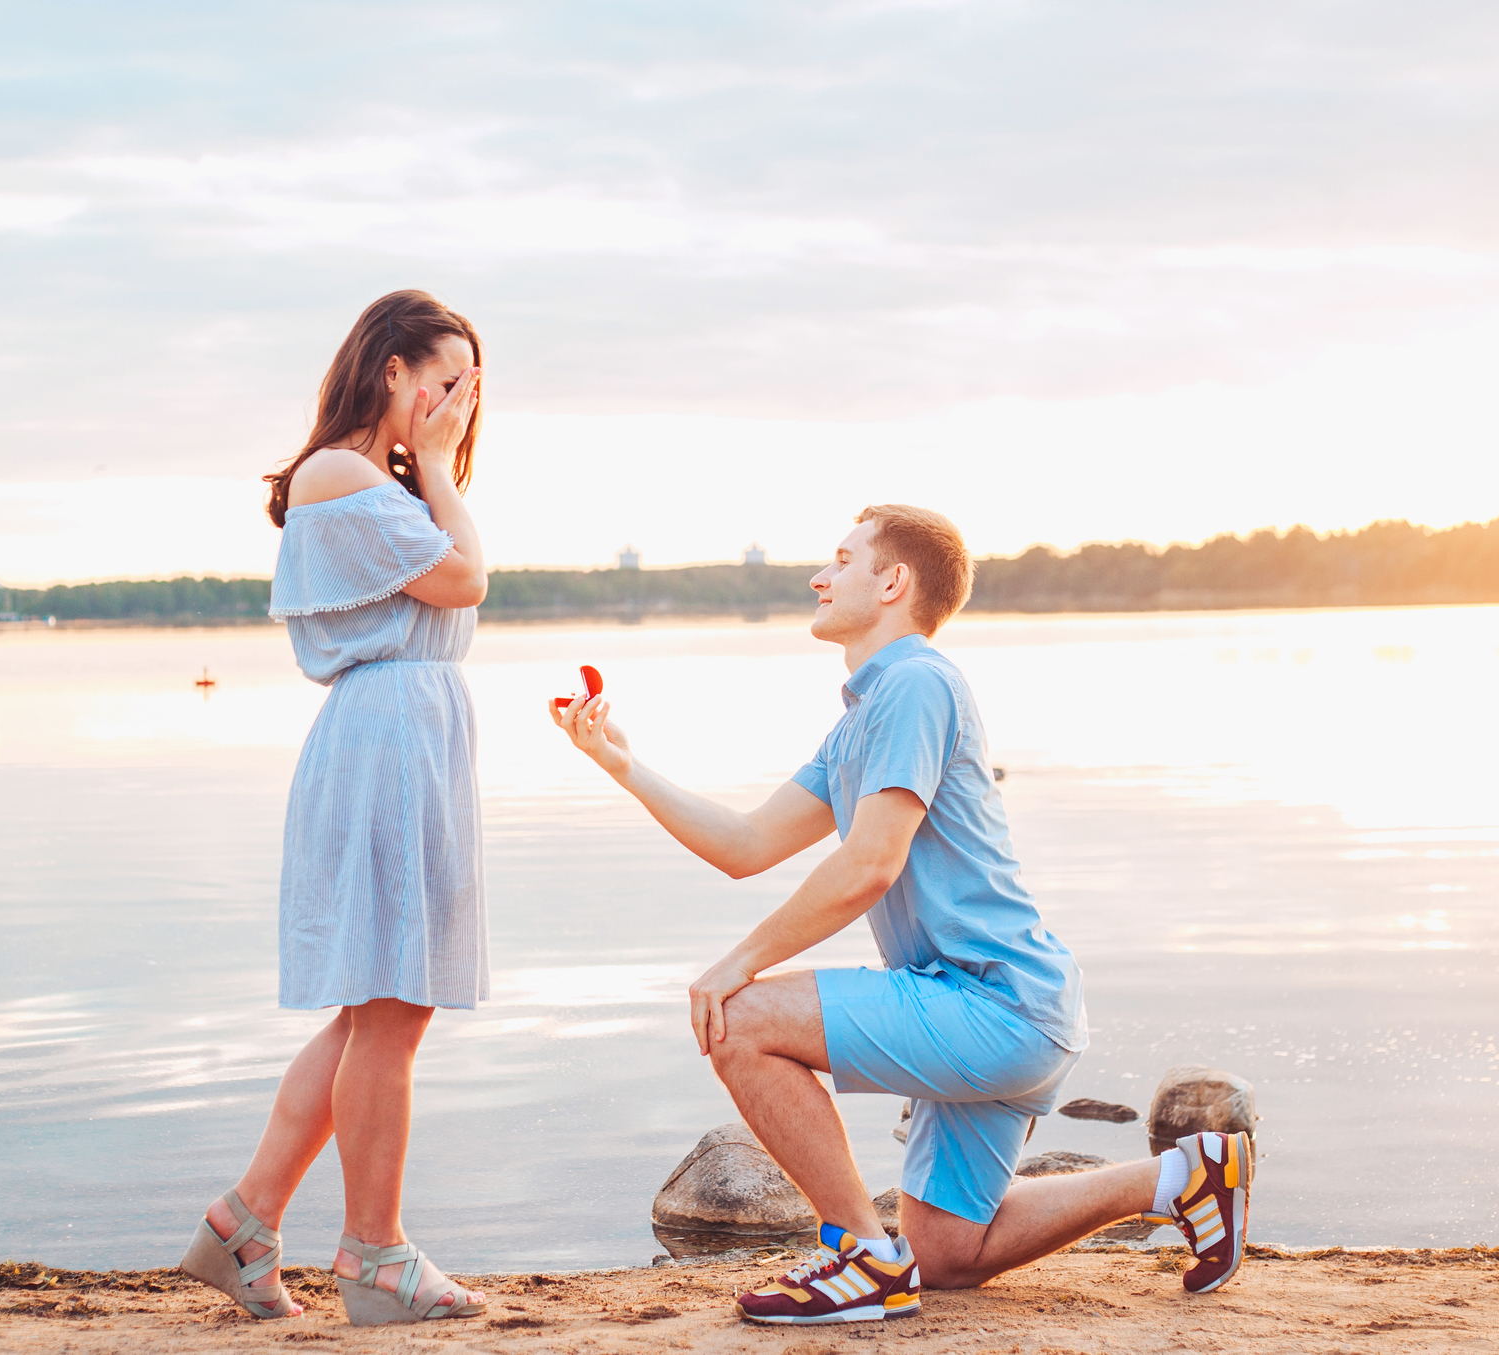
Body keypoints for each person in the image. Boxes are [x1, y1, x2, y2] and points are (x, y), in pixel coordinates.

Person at [551, 505, 1253, 1326]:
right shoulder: (863, 720)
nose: (819, 576)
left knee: (737, 1018)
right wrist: (622, 764)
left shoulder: (917, 683)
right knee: (949, 1253)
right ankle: (1186, 1176)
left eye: (841, 559)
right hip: (997, 1008)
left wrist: (736, 963)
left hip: (997, 1004)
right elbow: (743, 844)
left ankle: (861, 1252)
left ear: (893, 581)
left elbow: (871, 863)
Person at [179, 291, 491, 1327]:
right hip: (385, 741)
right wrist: (441, 471)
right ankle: (373, 1253)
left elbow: (450, 581)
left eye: (469, 389)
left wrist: (434, 468)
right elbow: (462, 579)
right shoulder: (340, 472)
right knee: (393, 1005)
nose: (457, 404)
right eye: (444, 380)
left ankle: (243, 1222)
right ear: (390, 369)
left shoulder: (370, 481)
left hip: (407, 732)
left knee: (378, 1005)